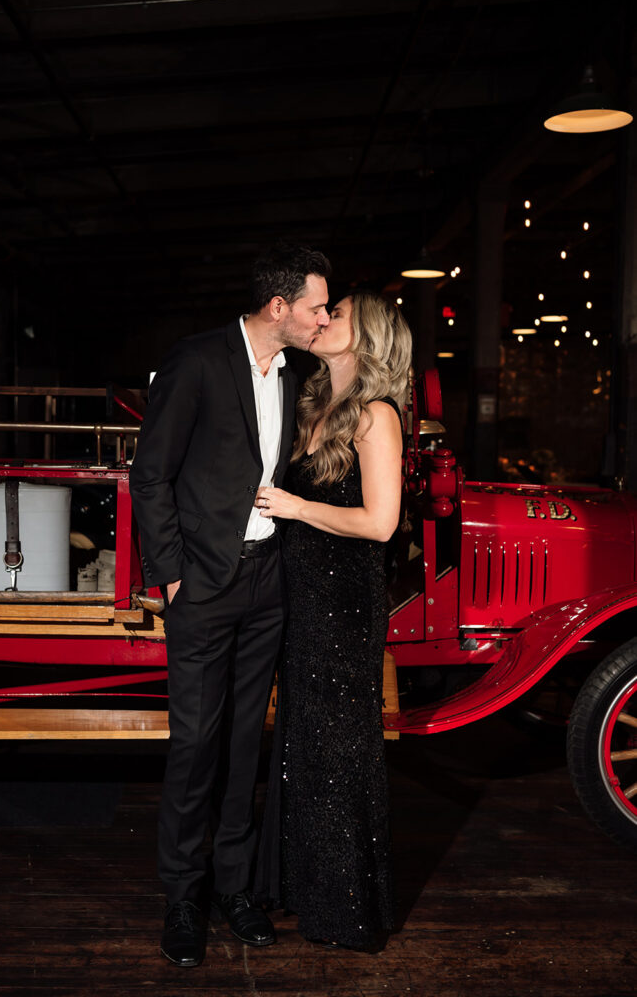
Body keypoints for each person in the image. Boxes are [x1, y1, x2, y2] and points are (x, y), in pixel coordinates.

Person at [129, 242, 331, 968]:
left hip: (266, 582)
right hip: (204, 586)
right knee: (195, 747)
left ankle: (235, 890)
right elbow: (149, 473)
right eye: (316, 306)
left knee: (247, 743)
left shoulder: (295, 372)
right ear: (279, 306)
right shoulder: (197, 360)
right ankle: (182, 896)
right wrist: (173, 575)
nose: (322, 317)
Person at [254, 290, 412, 951]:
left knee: (337, 750)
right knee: (300, 745)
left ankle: (345, 907)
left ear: (366, 335)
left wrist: (292, 507)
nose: (321, 320)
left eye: (335, 313)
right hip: (299, 597)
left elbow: (379, 524)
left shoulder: (376, 416)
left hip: (343, 605)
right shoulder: (311, 405)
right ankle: (299, 887)